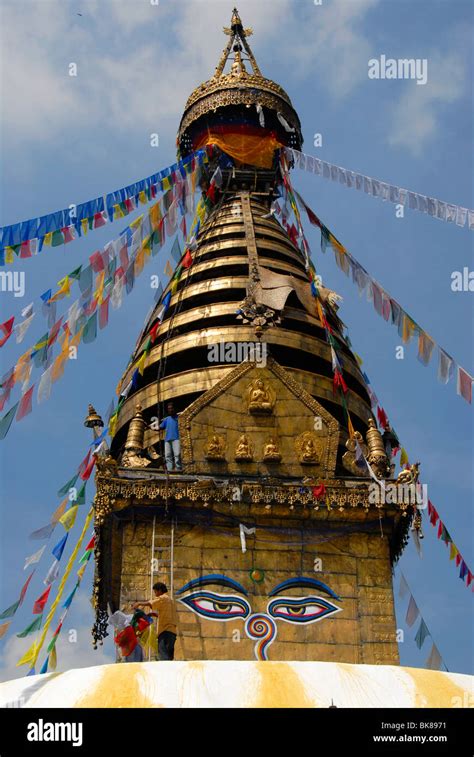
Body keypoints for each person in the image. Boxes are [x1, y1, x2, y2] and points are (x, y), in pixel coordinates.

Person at [134, 582, 178, 661]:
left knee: (163, 657)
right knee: (169, 657)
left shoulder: (163, 598)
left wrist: (139, 603)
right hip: (172, 633)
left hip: (164, 631)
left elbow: (151, 603)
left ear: (160, 590)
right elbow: (167, 615)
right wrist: (154, 615)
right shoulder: (171, 601)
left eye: (155, 592)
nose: (156, 595)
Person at [160, 402, 182, 471]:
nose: (170, 410)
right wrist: (150, 427)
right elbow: (160, 427)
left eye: (171, 408)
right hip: (167, 440)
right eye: (169, 409)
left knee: (177, 454)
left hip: (176, 438)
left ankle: (178, 469)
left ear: (174, 409)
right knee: (168, 456)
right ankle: (170, 470)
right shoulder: (166, 419)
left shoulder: (179, 418)